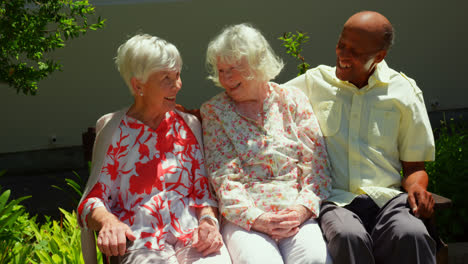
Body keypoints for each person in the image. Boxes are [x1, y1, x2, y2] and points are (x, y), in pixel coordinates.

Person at [285, 11, 436, 264]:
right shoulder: (314, 82)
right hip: (336, 200)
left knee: (412, 233)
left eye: (355, 52)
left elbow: (414, 167)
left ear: (379, 56)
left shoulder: (403, 91)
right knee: (347, 235)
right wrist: (202, 114)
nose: (343, 55)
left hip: (388, 200)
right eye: (341, 45)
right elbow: (260, 100)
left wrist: (417, 188)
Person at [77, 34, 231, 264]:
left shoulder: (188, 125)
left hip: (192, 236)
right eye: (166, 78)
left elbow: (203, 191)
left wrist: (208, 223)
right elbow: (92, 200)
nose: (177, 85)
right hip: (141, 241)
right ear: (138, 85)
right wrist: (108, 222)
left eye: (178, 75)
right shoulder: (114, 131)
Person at [201, 23, 333, 264]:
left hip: (295, 213)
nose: (226, 77)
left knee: (315, 259)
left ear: (258, 63)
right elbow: (224, 179)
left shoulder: (292, 100)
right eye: (221, 70)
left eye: (234, 68)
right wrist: (257, 218)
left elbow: (316, 168)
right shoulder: (215, 111)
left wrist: (300, 211)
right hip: (245, 218)